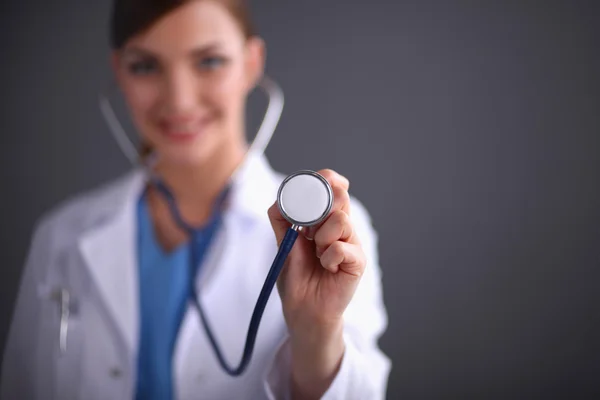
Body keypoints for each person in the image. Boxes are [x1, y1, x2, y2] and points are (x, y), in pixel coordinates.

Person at [0, 0, 391, 399]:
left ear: (251, 63)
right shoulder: (61, 236)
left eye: (209, 62)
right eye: (146, 66)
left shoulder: (329, 235)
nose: (180, 101)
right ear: (119, 72)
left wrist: (316, 333)